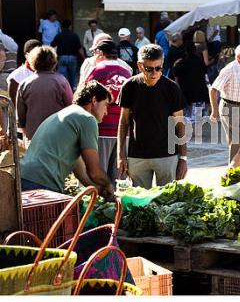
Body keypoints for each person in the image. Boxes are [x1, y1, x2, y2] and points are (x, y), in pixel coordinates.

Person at [19, 80, 114, 198]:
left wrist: (100, 191)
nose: (106, 112)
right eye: (106, 105)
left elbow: (82, 174)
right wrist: (109, 184)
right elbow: (94, 173)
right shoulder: (87, 119)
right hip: (42, 185)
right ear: (94, 100)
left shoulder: (68, 114)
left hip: (23, 179)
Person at [117, 44, 187, 189]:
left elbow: (180, 124)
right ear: (140, 66)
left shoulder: (172, 88)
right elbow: (123, 123)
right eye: (149, 69)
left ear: (162, 64)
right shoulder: (129, 86)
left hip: (167, 155)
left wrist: (183, 158)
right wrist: (121, 155)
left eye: (158, 68)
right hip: (137, 155)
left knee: (168, 203)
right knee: (141, 205)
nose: (154, 73)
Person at [85, 40, 132, 184]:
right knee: (120, 178)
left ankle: (101, 205)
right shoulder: (126, 71)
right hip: (124, 130)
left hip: (102, 128)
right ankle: (119, 206)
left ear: (100, 53)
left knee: (99, 176)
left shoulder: (98, 70)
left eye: (95, 52)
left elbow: (86, 94)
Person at [16, 45, 73, 142]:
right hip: (57, 135)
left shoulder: (24, 84)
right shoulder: (62, 82)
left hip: (33, 136)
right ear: (53, 62)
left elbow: (20, 117)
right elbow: (71, 108)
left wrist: (27, 134)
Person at [210, 44, 240, 162]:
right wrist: (214, 111)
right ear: (238, 57)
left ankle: (238, 168)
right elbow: (213, 90)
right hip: (229, 107)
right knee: (236, 140)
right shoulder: (229, 69)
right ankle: (233, 173)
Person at [173, 40, 209, 123]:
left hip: (185, 93)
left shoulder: (180, 63)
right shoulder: (199, 62)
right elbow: (205, 75)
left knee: (186, 116)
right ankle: (197, 132)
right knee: (197, 117)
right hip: (198, 93)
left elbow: (176, 78)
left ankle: (186, 132)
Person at [51, 19, 84, 90]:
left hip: (62, 57)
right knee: (73, 76)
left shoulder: (59, 35)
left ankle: (63, 91)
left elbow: (52, 45)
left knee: (62, 77)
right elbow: (79, 48)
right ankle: (72, 91)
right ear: (70, 26)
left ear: (62, 26)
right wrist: (84, 57)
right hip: (73, 57)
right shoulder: (74, 36)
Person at [7, 39, 41, 105]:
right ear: (26, 55)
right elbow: (15, 102)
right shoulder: (17, 76)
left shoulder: (48, 72)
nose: (37, 56)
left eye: (39, 53)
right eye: (33, 53)